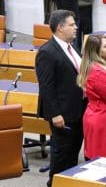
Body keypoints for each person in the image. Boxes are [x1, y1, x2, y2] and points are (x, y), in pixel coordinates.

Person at [35, 10, 85, 187]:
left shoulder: (73, 47)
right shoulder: (47, 52)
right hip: (62, 115)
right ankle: (54, 184)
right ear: (60, 27)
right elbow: (46, 87)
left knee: (72, 154)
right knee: (62, 156)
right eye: (72, 25)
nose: (76, 27)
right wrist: (55, 114)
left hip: (78, 111)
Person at [77, 34, 106, 160]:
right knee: (102, 161)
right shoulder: (99, 71)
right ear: (97, 51)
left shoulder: (92, 67)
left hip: (94, 113)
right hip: (102, 119)